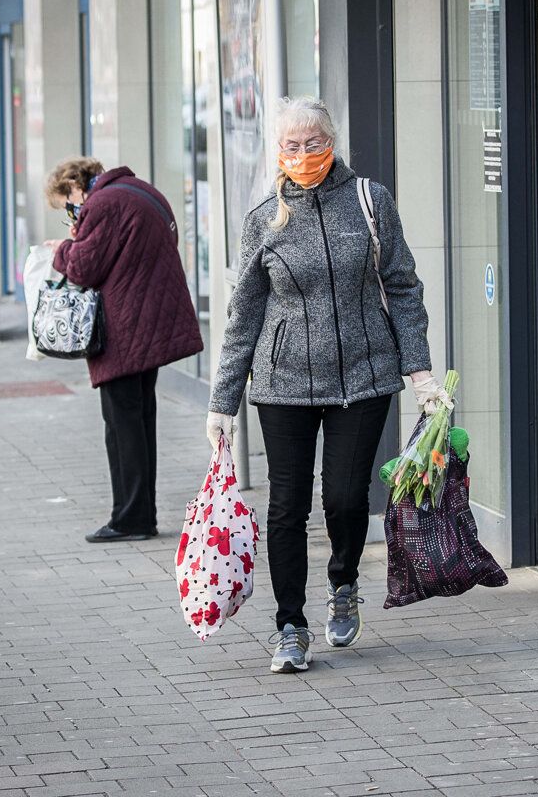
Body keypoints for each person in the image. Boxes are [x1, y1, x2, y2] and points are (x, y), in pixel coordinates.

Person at [206, 97, 444, 673]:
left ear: (332, 142)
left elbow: (403, 286)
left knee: (343, 496)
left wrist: (420, 372)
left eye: (314, 143)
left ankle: (343, 583)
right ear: (277, 152)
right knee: (287, 505)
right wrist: (223, 402)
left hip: (363, 376)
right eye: (292, 146)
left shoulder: (369, 201)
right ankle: (290, 625)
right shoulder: (264, 216)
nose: (304, 154)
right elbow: (245, 314)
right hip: (283, 382)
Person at [44, 157, 204, 544]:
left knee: (122, 427)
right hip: (150, 320)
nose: (72, 210)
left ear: (75, 188)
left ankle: (130, 518)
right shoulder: (142, 191)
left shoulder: (102, 204)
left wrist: (63, 247)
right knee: (139, 421)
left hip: (126, 327)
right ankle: (138, 514)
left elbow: (83, 267)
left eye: (68, 203)